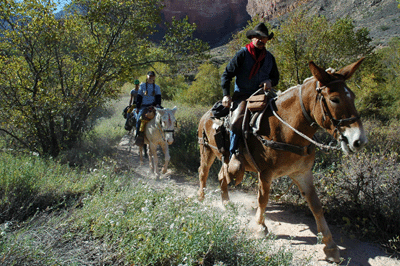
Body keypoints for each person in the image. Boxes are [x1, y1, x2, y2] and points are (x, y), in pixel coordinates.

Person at [220, 22, 279, 172]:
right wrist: (226, 94)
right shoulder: (242, 54)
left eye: (264, 37)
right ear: (252, 38)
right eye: (258, 37)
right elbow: (226, 74)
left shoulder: (270, 58)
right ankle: (234, 154)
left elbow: (275, 78)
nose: (261, 40)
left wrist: (269, 81)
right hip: (243, 96)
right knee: (237, 120)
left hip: (263, 95)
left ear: (267, 40)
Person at [135, 71, 162, 146]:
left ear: (154, 77)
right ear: (147, 76)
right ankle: (138, 136)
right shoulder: (142, 86)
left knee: (164, 117)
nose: (151, 77)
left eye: (152, 76)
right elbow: (139, 97)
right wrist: (137, 107)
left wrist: (157, 105)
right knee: (138, 119)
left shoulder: (157, 87)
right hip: (144, 106)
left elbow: (158, 98)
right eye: (150, 76)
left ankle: (166, 136)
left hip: (154, 106)